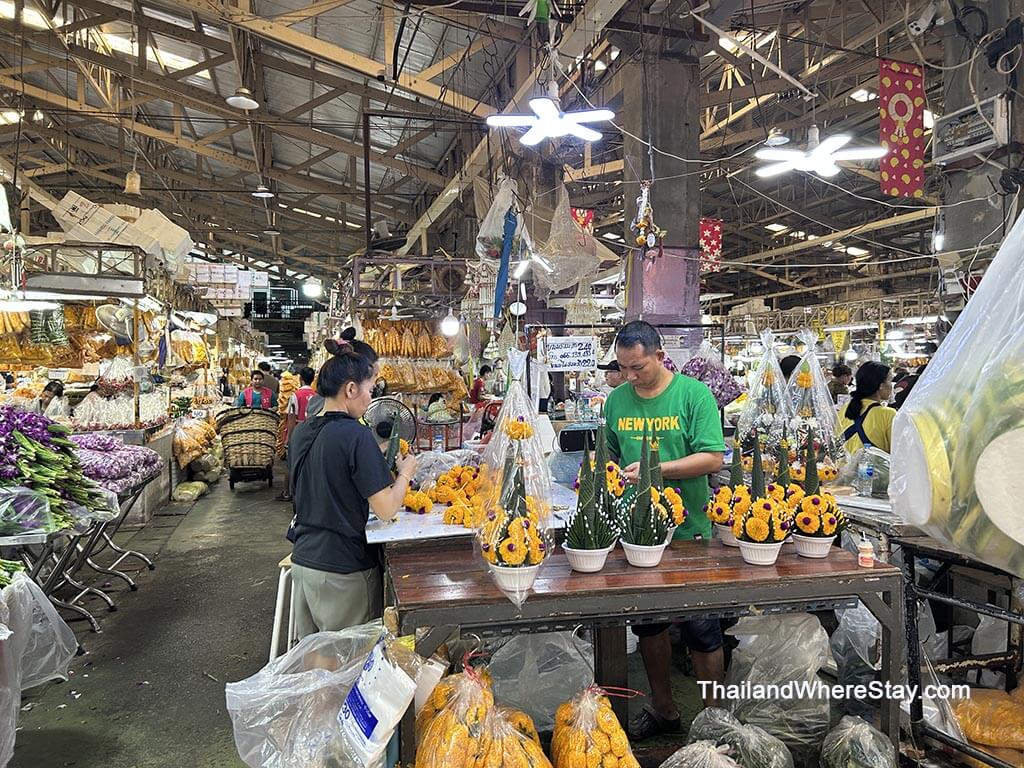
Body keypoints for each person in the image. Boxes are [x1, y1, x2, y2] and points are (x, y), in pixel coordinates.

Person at [604, 320, 726, 739]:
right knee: (649, 627)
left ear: (659, 356)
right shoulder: (616, 401)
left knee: (702, 629)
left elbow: (713, 458)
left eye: (638, 367)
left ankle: (714, 721)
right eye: (623, 368)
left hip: (690, 532)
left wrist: (657, 470)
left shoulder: (694, 395)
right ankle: (664, 710)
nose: (630, 376)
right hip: (638, 535)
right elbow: (613, 457)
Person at [286, 339, 417, 635]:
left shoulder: (303, 431)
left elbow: (328, 474)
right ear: (350, 389)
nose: (371, 400)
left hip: (305, 563)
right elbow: (386, 509)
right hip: (343, 570)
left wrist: (374, 456)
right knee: (349, 665)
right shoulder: (355, 435)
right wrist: (405, 473)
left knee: (316, 663)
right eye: (370, 390)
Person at [306, 328, 379, 419]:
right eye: (370, 390)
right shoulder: (348, 426)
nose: (375, 383)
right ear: (351, 389)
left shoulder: (317, 405)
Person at [837, 361, 896, 454]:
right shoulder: (888, 414)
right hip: (871, 468)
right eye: (890, 380)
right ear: (880, 385)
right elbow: (897, 452)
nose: (891, 386)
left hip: (840, 468)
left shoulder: (845, 408)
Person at [277, 367, 317, 502]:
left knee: (291, 462)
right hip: (314, 432)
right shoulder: (317, 395)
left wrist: (288, 438)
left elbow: (292, 418)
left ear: (300, 378)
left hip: (299, 431)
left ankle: (287, 492)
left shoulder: (295, 396)